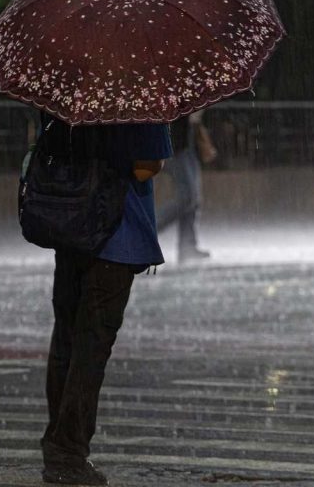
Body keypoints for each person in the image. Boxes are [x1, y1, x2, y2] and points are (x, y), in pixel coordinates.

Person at [41, 121, 172, 486]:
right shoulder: (136, 94)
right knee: (91, 346)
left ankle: (58, 446)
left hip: (69, 228)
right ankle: (68, 451)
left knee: (66, 339)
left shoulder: (66, 93)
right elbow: (145, 165)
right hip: (116, 236)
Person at [157, 113, 215, 262]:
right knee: (187, 196)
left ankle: (187, 246)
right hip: (174, 144)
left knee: (193, 196)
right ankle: (147, 233)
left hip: (185, 141)